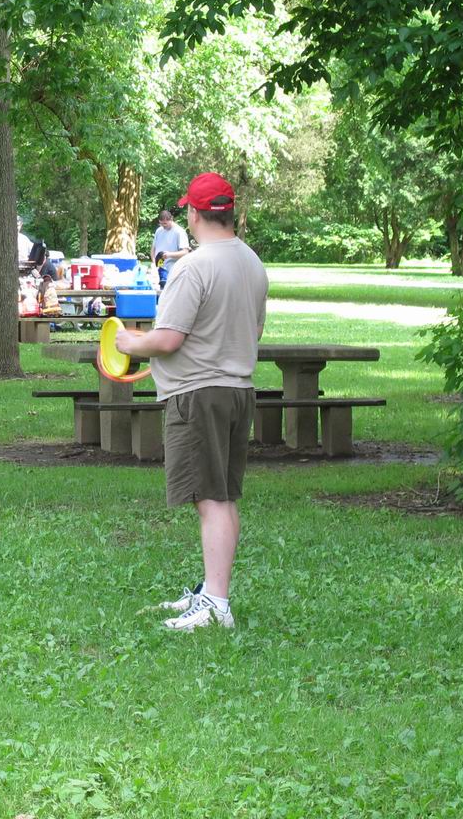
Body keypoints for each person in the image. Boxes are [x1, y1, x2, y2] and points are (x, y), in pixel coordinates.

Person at [114, 173, 268, 632]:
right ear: (230, 212)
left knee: (208, 499)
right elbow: (254, 331)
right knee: (224, 495)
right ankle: (212, 591)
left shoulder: (194, 266)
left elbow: (167, 339)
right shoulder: (252, 262)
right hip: (239, 391)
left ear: (194, 214)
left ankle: (216, 605)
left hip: (199, 395)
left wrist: (128, 342)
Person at [152, 208, 191, 287]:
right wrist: (154, 264)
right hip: (160, 269)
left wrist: (169, 255)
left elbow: (185, 252)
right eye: (161, 224)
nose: (163, 226)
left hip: (174, 271)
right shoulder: (159, 230)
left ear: (171, 219)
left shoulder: (179, 232)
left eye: (165, 223)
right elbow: (153, 249)